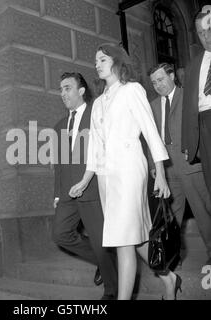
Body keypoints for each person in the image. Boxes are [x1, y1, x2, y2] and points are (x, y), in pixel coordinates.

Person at [69, 43, 181, 300]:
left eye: (103, 59)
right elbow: (95, 148)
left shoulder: (132, 90)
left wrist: (161, 172)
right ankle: (168, 277)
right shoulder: (97, 103)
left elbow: (151, 132)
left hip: (131, 169)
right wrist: (86, 180)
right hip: (106, 177)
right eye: (96, 60)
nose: (97, 64)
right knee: (130, 235)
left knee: (123, 241)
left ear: (117, 61)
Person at [52, 72, 118, 300]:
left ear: (81, 91)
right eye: (61, 89)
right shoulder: (59, 125)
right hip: (68, 194)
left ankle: (111, 292)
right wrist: (58, 195)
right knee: (60, 234)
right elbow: (59, 165)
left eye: (67, 88)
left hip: (92, 189)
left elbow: (107, 151)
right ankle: (105, 261)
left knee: (101, 243)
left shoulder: (96, 114)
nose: (63, 94)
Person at [149, 63, 211, 265]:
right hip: (167, 170)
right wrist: (153, 167)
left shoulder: (189, 97)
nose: (158, 85)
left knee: (204, 213)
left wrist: (196, 151)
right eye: (154, 82)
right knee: (171, 217)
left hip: (191, 165)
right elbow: (150, 139)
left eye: (161, 79)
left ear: (172, 76)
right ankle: (171, 257)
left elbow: (202, 127)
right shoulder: (152, 106)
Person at [182, 6, 211, 201]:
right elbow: (188, 106)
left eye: (209, 31)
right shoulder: (194, 64)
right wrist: (187, 142)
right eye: (201, 33)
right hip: (204, 124)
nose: (206, 37)